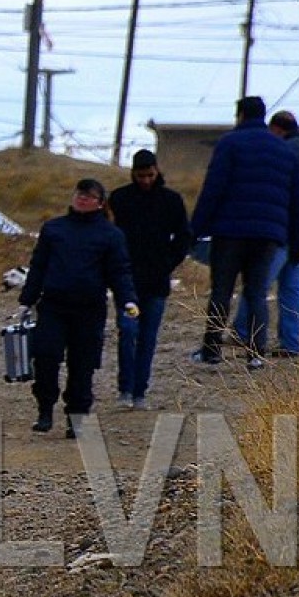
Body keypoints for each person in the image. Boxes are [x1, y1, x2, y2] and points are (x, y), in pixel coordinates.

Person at [18, 179, 139, 439]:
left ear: (99, 202)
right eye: (79, 194)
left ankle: (77, 417)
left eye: (89, 196)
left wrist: (127, 300)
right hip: (53, 306)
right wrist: (26, 301)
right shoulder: (54, 229)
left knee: (82, 365)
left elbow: (119, 272)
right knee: (46, 356)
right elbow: (38, 266)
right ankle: (45, 409)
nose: (82, 199)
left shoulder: (110, 235)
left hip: (89, 310)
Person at [189, 96, 299, 370]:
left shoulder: (229, 143)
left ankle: (211, 350)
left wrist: (195, 230)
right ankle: (256, 352)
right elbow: (296, 202)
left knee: (222, 290)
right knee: (256, 293)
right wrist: (296, 244)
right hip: (267, 236)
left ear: (240, 115)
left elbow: (213, 188)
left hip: (230, 232)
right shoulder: (285, 151)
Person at [230, 110, 299, 357]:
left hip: (284, 227)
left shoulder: (287, 152)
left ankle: (242, 331)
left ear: (277, 129)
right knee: (292, 288)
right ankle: (291, 343)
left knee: (258, 282)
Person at [107, 150, 192, 409]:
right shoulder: (120, 199)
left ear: (156, 171)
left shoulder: (171, 201)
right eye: (141, 175)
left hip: (155, 281)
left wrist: (167, 263)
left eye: (149, 175)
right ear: (133, 173)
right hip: (127, 281)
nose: (145, 180)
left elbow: (184, 237)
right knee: (128, 332)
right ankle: (125, 388)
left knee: (147, 337)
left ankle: (139, 391)